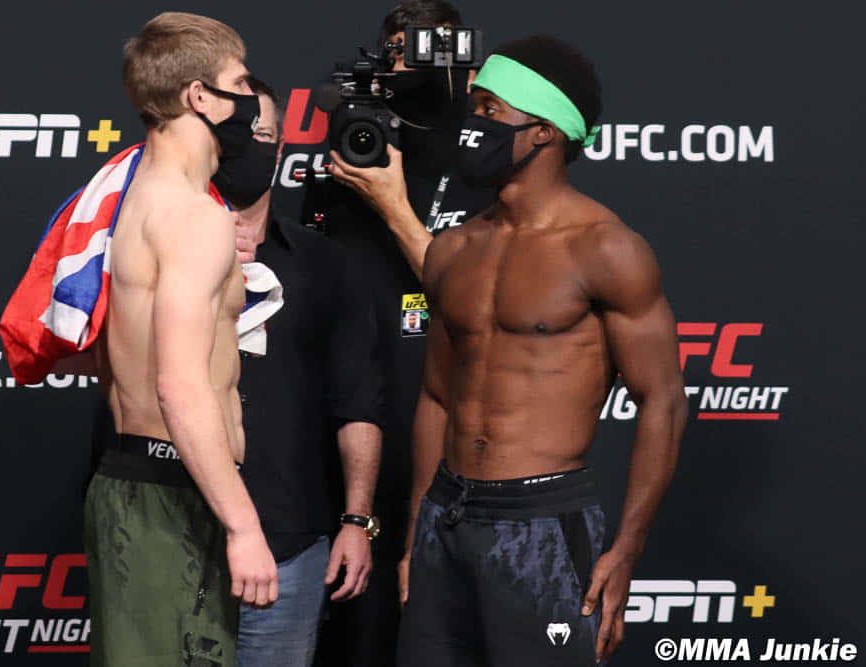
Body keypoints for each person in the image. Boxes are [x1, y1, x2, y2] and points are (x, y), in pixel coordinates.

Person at [396, 36, 688, 667]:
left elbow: (661, 402)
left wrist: (627, 549)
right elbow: (436, 396)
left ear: (545, 132)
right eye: (473, 107)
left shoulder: (605, 248)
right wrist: (419, 526)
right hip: (446, 516)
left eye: (491, 110)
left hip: (542, 522)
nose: (473, 124)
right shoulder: (452, 249)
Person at [82, 13, 278, 667]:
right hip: (170, 495)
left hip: (140, 484)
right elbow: (180, 386)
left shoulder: (129, 197)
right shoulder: (195, 217)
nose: (249, 99)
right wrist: (243, 526)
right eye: (239, 83)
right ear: (200, 96)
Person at [313, 2, 497, 665]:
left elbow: (471, 300)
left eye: (425, 50)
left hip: (457, 443)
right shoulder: (357, 143)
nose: (408, 64)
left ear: (463, 64)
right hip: (351, 438)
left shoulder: (491, 163)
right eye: (396, 51)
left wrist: (390, 203)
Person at [214, 77, 385, 667]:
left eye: (262, 135)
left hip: (289, 541)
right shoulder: (149, 254)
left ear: (282, 149)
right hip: (172, 537)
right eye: (233, 134)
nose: (247, 147)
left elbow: (357, 402)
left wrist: (357, 520)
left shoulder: (325, 265)